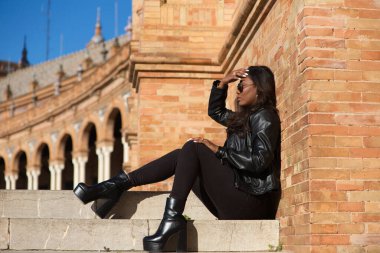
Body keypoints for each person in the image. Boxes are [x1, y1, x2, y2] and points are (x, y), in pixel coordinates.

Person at [73, 65, 282, 252]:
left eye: (242, 86)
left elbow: (259, 161)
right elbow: (216, 111)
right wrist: (223, 82)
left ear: (260, 88)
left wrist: (218, 150)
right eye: (237, 87)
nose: (237, 92)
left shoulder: (264, 116)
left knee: (195, 148)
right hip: (240, 197)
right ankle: (116, 186)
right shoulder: (244, 119)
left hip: (254, 203)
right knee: (185, 154)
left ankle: (165, 215)